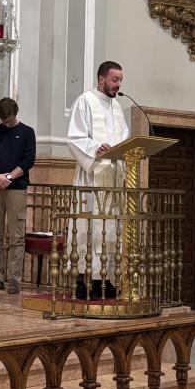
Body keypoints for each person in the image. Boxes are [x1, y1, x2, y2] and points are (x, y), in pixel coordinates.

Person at [66, 61, 129, 298]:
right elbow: (74, 138)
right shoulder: (85, 101)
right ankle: (85, 280)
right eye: (115, 80)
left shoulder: (117, 107)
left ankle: (107, 278)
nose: (118, 84)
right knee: (90, 226)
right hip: (92, 179)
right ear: (101, 79)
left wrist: (122, 164)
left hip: (112, 178)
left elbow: (124, 140)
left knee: (110, 228)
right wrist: (95, 148)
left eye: (120, 80)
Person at [0, 97, 37, 295]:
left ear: (16, 114)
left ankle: (14, 279)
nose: (6, 124)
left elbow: (28, 160)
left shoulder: (27, 132)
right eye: (3, 121)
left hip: (16, 188)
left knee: (16, 236)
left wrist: (9, 177)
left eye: (9, 121)